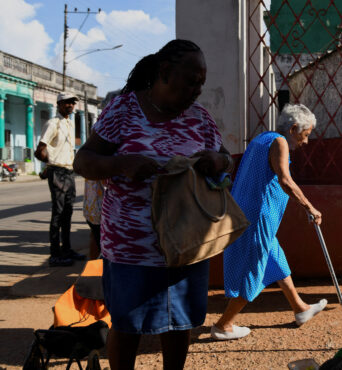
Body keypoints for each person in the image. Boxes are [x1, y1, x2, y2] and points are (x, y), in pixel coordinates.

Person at [73, 39, 232, 370]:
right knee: (128, 326)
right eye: (191, 81)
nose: (197, 90)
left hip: (186, 244)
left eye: (201, 83)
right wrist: (122, 164)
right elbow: (83, 161)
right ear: (164, 72)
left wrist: (215, 161)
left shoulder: (200, 118)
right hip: (132, 248)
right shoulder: (123, 110)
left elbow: (225, 158)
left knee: (179, 324)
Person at [210, 103, 327, 341]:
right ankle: (224, 325)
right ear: (293, 128)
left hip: (249, 212)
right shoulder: (281, 142)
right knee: (254, 268)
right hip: (259, 215)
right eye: (305, 136)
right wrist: (310, 207)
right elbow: (285, 179)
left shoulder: (263, 138)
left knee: (275, 259)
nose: (305, 142)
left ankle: (300, 309)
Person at [35, 92, 86, 267]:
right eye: (67, 103)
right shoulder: (53, 123)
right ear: (58, 104)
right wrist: (49, 165)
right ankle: (55, 254)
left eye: (73, 103)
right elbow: (40, 149)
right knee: (58, 213)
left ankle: (67, 249)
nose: (71, 105)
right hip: (58, 171)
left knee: (68, 212)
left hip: (69, 171)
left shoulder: (69, 123)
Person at [82, 178, 104, 259]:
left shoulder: (88, 167)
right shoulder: (101, 167)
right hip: (99, 211)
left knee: (95, 237)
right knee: (101, 245)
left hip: (91, 209)